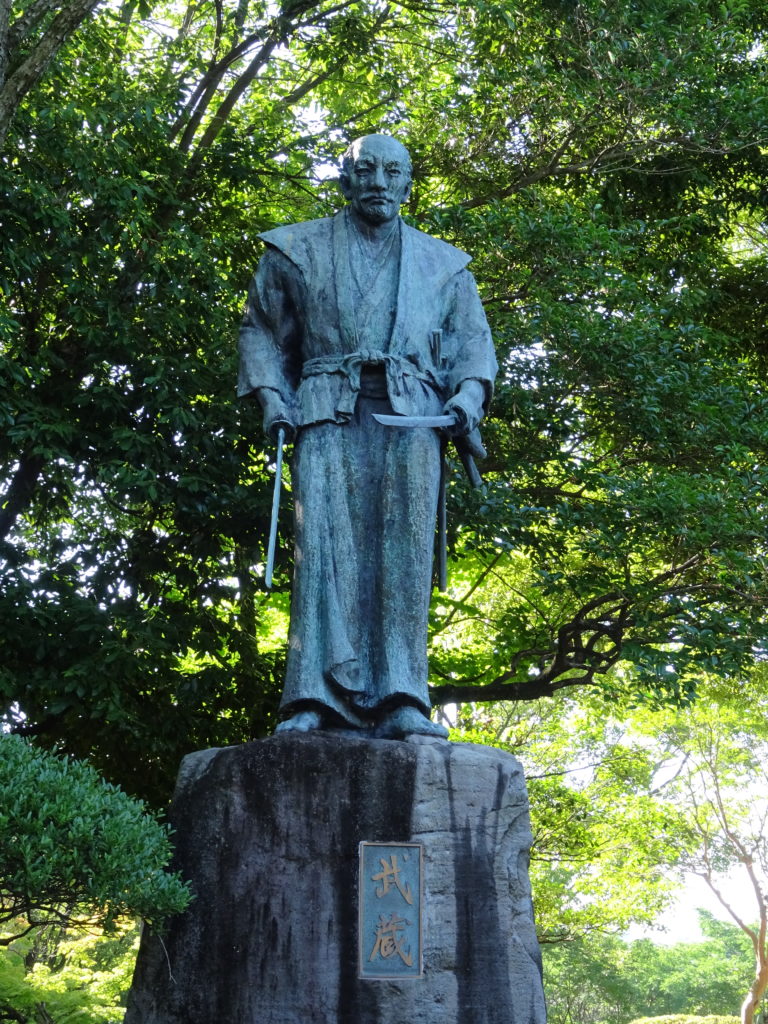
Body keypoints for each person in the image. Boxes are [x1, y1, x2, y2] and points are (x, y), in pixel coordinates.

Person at [238, 134, 497, 738]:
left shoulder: (444, 264)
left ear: (409, 183)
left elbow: (472, 345)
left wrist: (467, 396)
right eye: (366, 169)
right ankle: (312, 698)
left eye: (393, 170)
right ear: (345, 179)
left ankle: (402, 696)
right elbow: (260, 332)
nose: (379, 180)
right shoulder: (295, 248)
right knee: (324, 550)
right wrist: (274, 396)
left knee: (403, 556)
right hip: (327, 408)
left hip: (414, 417)